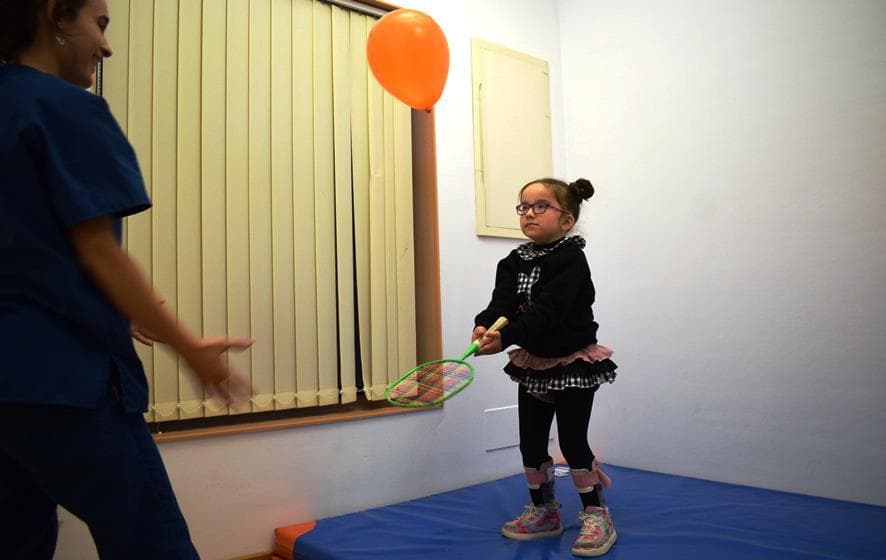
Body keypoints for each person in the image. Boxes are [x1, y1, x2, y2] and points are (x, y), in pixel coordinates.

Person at [0, 1, 252, 558]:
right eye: (101, 23)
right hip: (65, 382)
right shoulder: (64, 107)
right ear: (56, 17)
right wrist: (192, 350)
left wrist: (126, 306)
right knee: (153, 545)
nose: (107, 46)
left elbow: (30, 247)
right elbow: (97, 252)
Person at [473, 177, 618, 557]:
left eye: (541, 206)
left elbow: (548, 312)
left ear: (566, 220)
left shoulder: (571, 259)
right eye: (523, 207)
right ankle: (543, 511)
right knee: (532, 442)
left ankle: (596, 513)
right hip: (534, 363)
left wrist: (506, 338)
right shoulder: (512, 261)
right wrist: (485, 325)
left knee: (571, 442)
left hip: (572, 362)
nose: (529, 214)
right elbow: (501, 304)